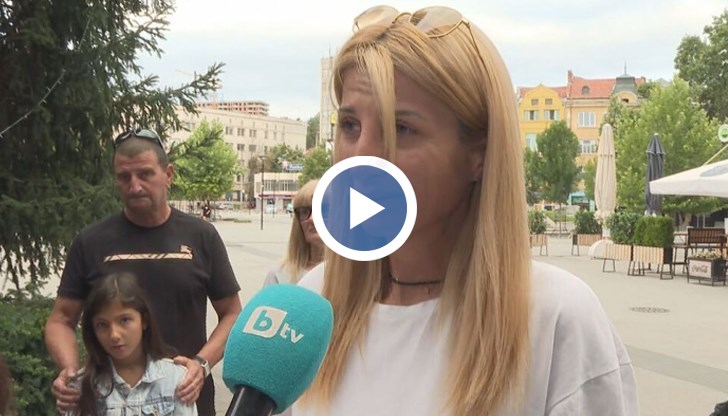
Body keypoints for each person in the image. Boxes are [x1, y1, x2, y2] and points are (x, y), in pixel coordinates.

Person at [292, 5, 638, 416]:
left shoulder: (557, 320)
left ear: (478, 154)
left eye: (401, 129)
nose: (360, 157)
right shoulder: (310, 306)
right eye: (350, 125)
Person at [45, 128, 242, 416]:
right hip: (107, 402)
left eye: (145, 174)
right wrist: (71, 372)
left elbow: (233, 313)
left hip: (185, 397)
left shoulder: (201, 235)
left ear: (168, 174)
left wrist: (201, 364)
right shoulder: (91, 241)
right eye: (124, 177)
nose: (135, 186)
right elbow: (61, 319)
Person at [66, 272, 196, 416]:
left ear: (144, 320)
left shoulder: (175, 380)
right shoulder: (81, 387)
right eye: (102, 325)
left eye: (124, 320)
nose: (114, 335)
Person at [264, 180, 323, 285]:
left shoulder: (350, 274)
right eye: (304, 212)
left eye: (322, 210)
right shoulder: (279, 274)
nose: (312, 218)